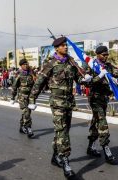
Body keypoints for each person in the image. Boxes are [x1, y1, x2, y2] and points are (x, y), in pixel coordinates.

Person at [28, 37, 90, 178]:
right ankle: (66, 161)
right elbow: (39, 82)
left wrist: (85, 80)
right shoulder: (50, 63)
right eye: (62, 46)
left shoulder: (70, 62)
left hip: (68, 102)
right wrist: (32, 98)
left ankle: (55, 156)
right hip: (57, 103)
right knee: (63, 132)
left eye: (66, 45)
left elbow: (77, 79)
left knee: (62, 130)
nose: (66, 47)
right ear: (56, 48)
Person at [86, 46, 118, 165]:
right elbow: (88, 83)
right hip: (95, 97)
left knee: (96, 122)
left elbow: (117, 74)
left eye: (107, 55)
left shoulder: (108, 66)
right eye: (103, 55)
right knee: (102, 123)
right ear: (97, 55)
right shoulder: (91, 65)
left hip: (104, 98)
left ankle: (91, 146)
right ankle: (107, 150)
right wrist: (100, 75)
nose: (106, 57)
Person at [10, 59, 35, 138]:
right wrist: (12, 97)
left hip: (30, 98)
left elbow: (35, 85)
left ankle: (21, 127)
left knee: (27, 113)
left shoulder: (31, 74)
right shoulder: (19, 74)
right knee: (26, 112)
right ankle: (28, 128)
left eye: (26, 64)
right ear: (21, 66)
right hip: (22, 97)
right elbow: (14, 87)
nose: (26, 65)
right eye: (24, 64)